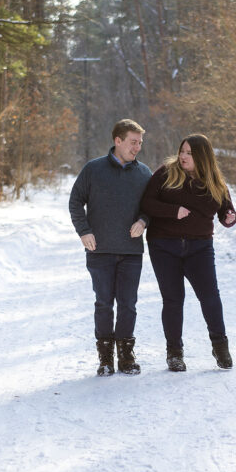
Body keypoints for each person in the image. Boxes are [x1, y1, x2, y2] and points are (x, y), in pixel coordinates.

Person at [140, 134, 236, 372]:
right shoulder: (166, 173)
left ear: (202, 157)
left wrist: (229, 217)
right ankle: (174, 353)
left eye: (190, 153)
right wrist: (174, 211)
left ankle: (220, 346)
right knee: (173, 300)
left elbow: (226, 210)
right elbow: (146, 204)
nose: (183, 156)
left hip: (199, 247)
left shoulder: (214, 181)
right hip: (164, 246)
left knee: (210, 297)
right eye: (182, 151)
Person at [69, 119, 153, 377]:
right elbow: (75, 202)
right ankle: (105, 357)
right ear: (118, 141)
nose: (137, 147)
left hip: (131, 252)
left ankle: (126, 356)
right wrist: (84, 231)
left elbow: (151, 207)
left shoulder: (144, 174)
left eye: (140, 143)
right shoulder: (93, 170)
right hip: (100, 250)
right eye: (133, 142)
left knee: (128, 304)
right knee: (104, 303)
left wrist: (143, 220)